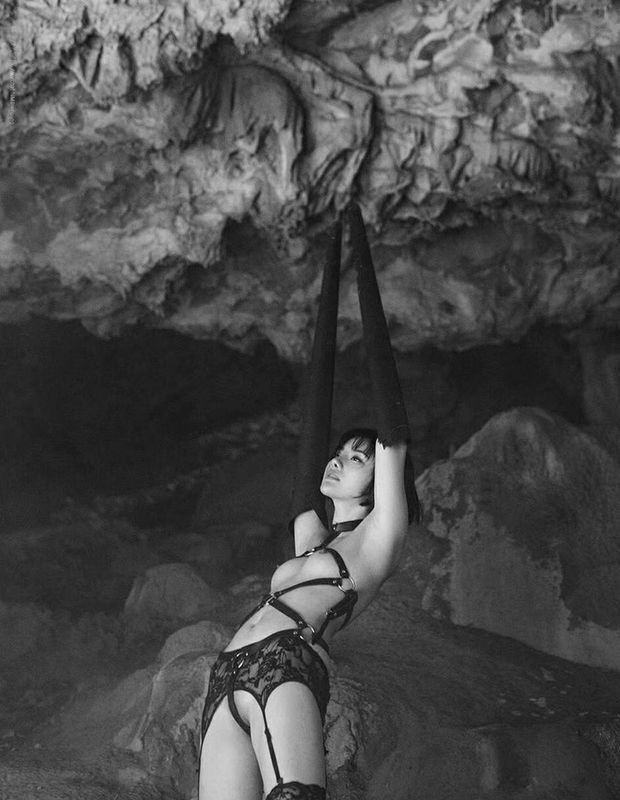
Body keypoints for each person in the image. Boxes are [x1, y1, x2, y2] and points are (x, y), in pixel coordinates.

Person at [198, 204, 420, 800]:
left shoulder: (378, 538)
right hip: (228, 671)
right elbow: (310, 429)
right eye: (340, 452)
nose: (337, 461)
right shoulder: (313, 538)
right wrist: (330, 259)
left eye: (356, 458)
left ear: (381, 482)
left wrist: (360, 251)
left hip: (287, 664)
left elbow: (393, 425)